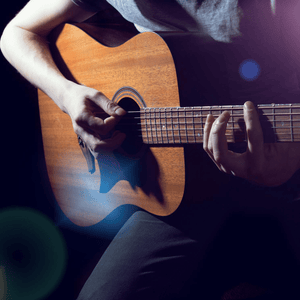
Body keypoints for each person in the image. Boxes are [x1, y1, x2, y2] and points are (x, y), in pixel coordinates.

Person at [1, 0, 300, 299]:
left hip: (282, 168)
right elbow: (17, 32)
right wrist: (66, 94)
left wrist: (290, 164)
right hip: (181, 190)